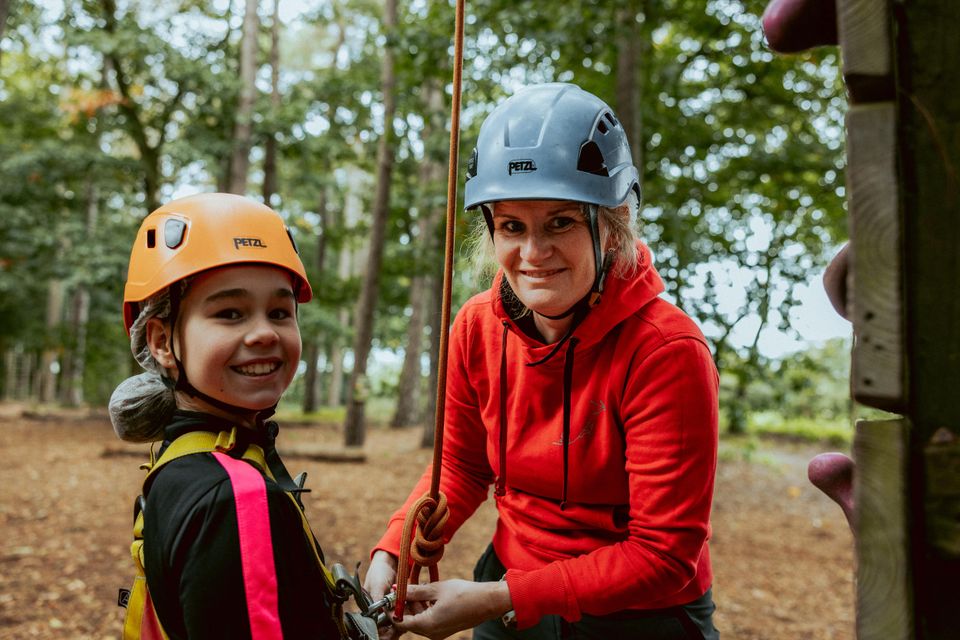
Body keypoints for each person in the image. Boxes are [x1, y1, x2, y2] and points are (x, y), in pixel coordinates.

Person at [364, 83, 720, 639]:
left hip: (639, 615)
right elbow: (462, 467)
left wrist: (501, 597)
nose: (533, 254)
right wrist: (393, 551)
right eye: (511, 226)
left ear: (613, 222)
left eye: (560, 223)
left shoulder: (666, 350)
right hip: (509, 587)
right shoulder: (477, 327)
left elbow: (663, 554)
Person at [110, 193, 350, 639]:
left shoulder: (179, 462)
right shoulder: (233, 498)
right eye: (230, 313)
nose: (263, 332)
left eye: (279, 312)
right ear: (162, 341)